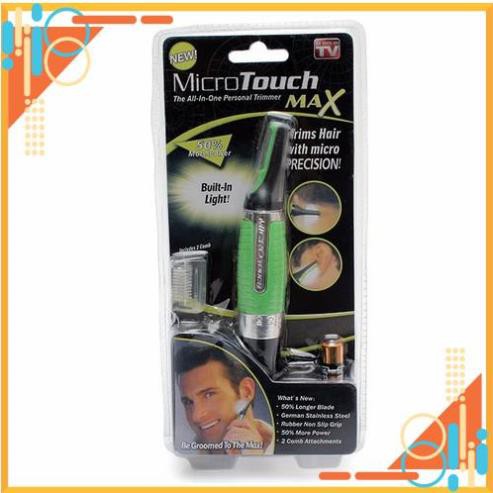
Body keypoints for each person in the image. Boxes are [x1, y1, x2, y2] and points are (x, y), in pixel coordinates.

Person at [175, 343, 274, 455]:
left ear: (246, 392)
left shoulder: (285, 449)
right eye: (188, 402)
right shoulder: (182, 454)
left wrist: (255, 460)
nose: (196, 416)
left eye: (209, 395)